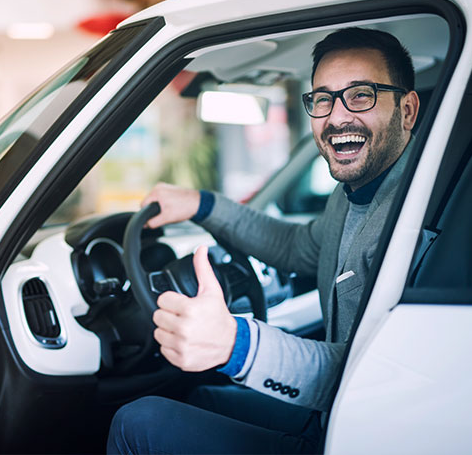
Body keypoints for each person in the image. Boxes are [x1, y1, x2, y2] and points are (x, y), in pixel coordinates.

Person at [107, 27, 420, 454]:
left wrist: (236, 343)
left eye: (361, 95)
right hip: (334, 415)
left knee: (135, 422)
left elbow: (366, 375)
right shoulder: (355, 196)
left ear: (407, 110)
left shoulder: (411, 217)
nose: (338, 116)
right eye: (323, 99)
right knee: (199, 398)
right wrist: (204, 205)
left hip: (366, 433)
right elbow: (297, 247)